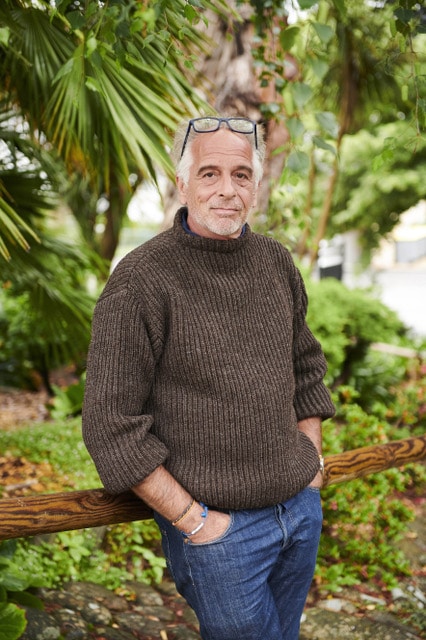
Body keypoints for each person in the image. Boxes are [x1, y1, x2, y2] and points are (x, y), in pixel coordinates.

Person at [82, 115, 335, 640]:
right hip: (220, 535)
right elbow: (110, 424)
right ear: (183, 182)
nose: (227, 190)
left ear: (257, 184)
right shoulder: (141, 280)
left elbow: (306, 367)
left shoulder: (275, 261)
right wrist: (197, 523)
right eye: (210, 173)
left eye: (241, 175)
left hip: (299, 512)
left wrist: (310, 465)